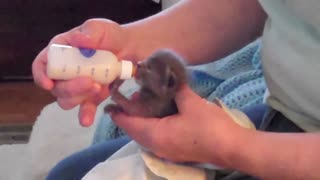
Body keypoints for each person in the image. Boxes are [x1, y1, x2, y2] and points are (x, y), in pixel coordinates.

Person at [32, 0, 320, 179]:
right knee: (67, 174)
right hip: (285, 111)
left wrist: (232, 147)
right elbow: (254, 4)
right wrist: (127, 41)